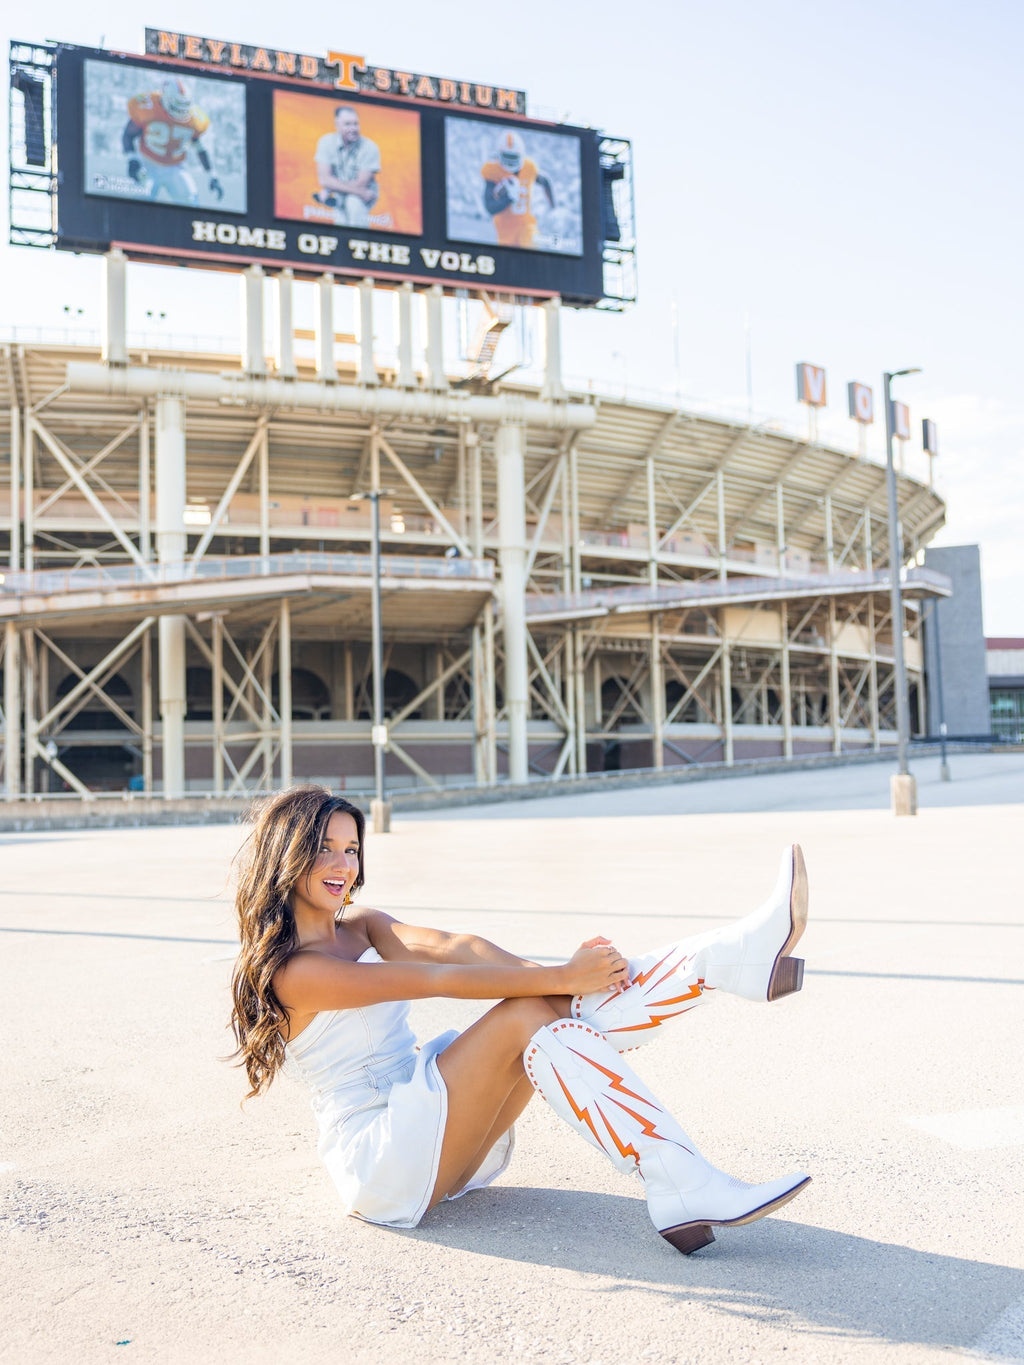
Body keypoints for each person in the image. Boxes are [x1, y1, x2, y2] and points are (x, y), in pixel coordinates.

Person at [230, 785, 810, 1255]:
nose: (342, 864)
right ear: (286, 854)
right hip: (381, 1159)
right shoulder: (294, 974)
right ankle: (722, 964)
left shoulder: (362, 925)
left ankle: (722, 975)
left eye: (352, 849)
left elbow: (454, 950)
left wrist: (561, 978)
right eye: (324, 847)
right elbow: (434, 981)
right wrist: (562, 979)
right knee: (526, 1013)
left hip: (430, 1121)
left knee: (542, 1015)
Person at [122, 76, 223, 206]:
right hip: (147, 163)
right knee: (140, 202)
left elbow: (200, 148)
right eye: (177, 104)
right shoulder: (148, 106)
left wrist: (212, 175)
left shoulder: (195, 119)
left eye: (184, 105)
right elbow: (128, 135)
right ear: (164, 98)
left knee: (191, 202)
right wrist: (132, 159)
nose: (181, 110)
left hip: (175, 167)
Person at [481, 131, 555, 249]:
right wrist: (508, 199)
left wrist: (552, 207)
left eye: (513, 157)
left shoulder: (529, 167)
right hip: (505, 231)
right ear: (499, 154)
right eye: (507, 156)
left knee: (532, 246)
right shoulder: (493, 171)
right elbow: (490, 207)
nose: (510, 161)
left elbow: (545, 181)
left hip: (526, 225)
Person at [312, 106, 380, 228]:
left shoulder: (370, 147)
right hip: (349, 193)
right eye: (348, 124)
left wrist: (330, 188)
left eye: (355, 124)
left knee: (353, 203)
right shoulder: (326, 142)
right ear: (337, 124)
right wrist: (329, 188)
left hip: (362, 197)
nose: (353, 128)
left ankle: (361, 243)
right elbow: (324, 179)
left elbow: (361, 183)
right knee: (340, 220)